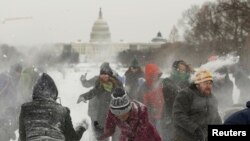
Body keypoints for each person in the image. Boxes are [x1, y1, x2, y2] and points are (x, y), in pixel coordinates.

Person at [19, 73, 88, 141]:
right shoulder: (62, 111)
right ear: (54, 92)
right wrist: (81, 128)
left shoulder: (25, 109)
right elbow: (72, 139)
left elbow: (22, 138)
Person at [77, 63, 123, 141]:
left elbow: (123, 94)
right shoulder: (98, 81)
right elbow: (93, 90)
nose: (104, 76)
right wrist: (83, 82)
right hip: (98, 112)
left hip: (111, 114)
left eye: (106, 74)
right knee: (101, 134)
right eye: (102, 73)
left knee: (112, 134)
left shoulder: (116, 83)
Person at [173, 70, 222, 141]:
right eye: (205, 83)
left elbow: (216, 117)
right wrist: (195, 129)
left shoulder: (212, 98)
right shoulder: (186, 94)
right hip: (186, 137)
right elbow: (178, 115)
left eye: (210, 83)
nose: (208, 86)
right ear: (197, 84)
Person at [98, 87, 162, 141]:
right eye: (117, 115)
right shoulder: (112, 112)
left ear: (129, 110)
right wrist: (101, 136)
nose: (120, 117)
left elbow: (141, 135)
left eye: (123, 115)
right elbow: (110, 129)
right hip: (126, 137)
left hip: (148, 137)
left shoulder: (141, 110)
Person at [162, 60, 192, 141]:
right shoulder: (167, 81)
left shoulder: (188, 83)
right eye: (180, 70)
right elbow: (172, 93)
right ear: (174, 70)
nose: (182, 72)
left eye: (184, 70)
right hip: (170, 120)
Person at [136, 63, 165, 139]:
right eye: (153, 75)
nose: (155, 77)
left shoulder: (163, 84)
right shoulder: (143, 88)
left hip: (163, 117)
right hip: (149, 118)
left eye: (156, 75)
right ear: (149, 76)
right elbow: (139, 105)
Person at [0, 63, 22, 141]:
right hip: (4, 113)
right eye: (19, 72)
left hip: (8, 113)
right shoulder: (6, 78)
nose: (19, 74)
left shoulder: (12, 80)